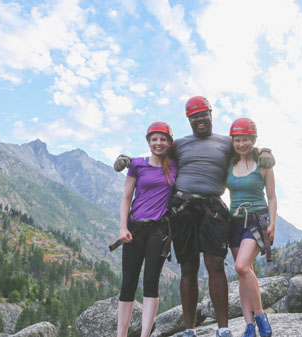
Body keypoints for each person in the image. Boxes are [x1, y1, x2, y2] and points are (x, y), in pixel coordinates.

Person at [115, 96, 275, 337]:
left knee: (214, 266)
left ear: (211, 114)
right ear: (188, 119)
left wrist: (265, 152)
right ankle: (189, 329)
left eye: (203, 114)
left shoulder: (225, 142)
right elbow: (155, 152)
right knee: (188, 266)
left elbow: (246, 146)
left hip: (213, 209)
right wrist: (129, 160)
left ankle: (223, 328)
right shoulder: (179, 144)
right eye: (194, 116)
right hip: (183, 209)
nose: (200, 119)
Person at [116, 122, 177, 337]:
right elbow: (126, 197)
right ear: (148, 141)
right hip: (135, 228)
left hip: (159, 231)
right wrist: (123, 227)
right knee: (128, 282)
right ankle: (120, 334)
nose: (158, 143)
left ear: (169, 142)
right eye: (154, 139)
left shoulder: (175, 166)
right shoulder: (137, 165)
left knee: (151, 282)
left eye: (163, 139)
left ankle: (145, 335)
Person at [226, 118, 275, 337]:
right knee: (246, 273)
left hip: (257, 219)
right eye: (237, 140)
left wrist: (272, 221)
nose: (241, 144)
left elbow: (272, 196)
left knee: (241, 267)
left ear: (253, 139)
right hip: (234, 221)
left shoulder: (263, 163)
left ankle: (260, 315)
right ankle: (248, 326)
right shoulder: (228, 163)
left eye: (245, 139)